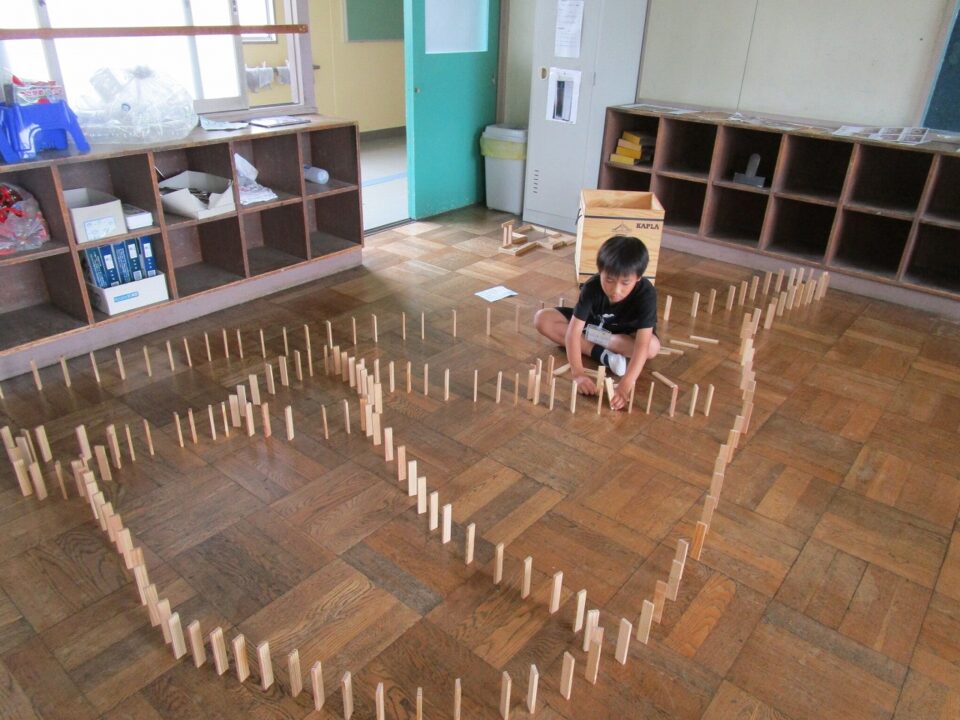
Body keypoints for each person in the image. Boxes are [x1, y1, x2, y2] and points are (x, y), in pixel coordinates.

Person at [534, 235, 660, 411]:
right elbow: (573, 332)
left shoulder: (647, 293)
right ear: (600, 271)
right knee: (542, 319)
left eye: (625, 283)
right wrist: (578, 374)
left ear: (638, 277)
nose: (616, 290)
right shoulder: (591, 287)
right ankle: (603, 354)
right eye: (609, 280)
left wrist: (625, 385)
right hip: (593, 326)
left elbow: (642, 344)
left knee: (652, 348)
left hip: (623, 336)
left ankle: (603, 346)